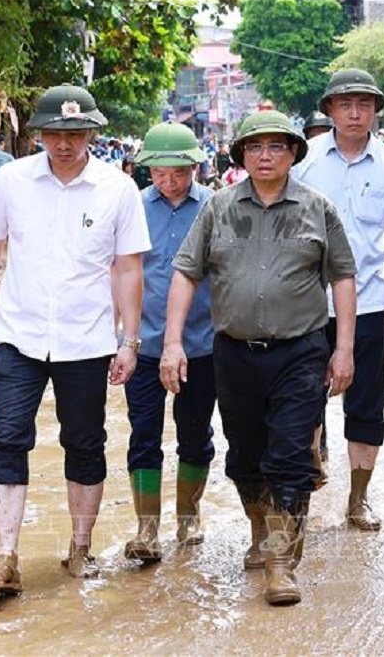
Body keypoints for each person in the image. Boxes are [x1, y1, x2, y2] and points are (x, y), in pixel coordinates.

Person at [160, 110, 357, 606]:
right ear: (242, 155)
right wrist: (172, 341)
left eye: (276, 146)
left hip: (301, 350)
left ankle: (279, 562)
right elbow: (186, 273)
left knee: (290, 456)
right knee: (245, 456)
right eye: (255, 147)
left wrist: (345, 350)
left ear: (293, 154)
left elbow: (343, 278)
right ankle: (262, 529)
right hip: (235, 353)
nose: (265, 155)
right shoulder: (218, 208)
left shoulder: (319, 209)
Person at [0, 84, 150, 597]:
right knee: (7, 438)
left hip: (87, 340)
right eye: (54, 133)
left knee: (85, 442)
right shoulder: (12, 180)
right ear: (39, 134)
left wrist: (129, 340)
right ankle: (5, 557)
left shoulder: (117, 189)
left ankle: (80, 547)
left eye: (74, 133)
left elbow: (128, 267)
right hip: (17, 335)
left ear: (91, 132)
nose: (64, 143)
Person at [295, 68, 384, 533]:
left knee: (366, 404)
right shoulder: (305, 165)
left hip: (368, 305)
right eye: (344, 103)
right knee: (302, 400)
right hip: (306, 305)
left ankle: (358, 499)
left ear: (374, 111)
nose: (354, 112)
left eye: (363, 104)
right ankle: (302, 488)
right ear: (329, 110)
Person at [120, 121, 217, 563]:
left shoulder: (215, 207)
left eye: (178, 172)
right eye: (159, 172)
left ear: (195, 166)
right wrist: (123, 336)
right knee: (143, 434)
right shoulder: (134, 208)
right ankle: (147, 526)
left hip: (201, 344)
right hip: (144, 343)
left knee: (195, 434)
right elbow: (121, 271)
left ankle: (188, 514)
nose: (169, 181)